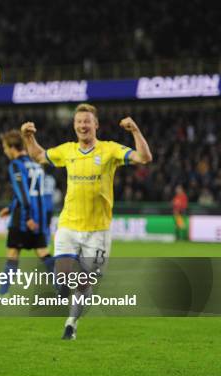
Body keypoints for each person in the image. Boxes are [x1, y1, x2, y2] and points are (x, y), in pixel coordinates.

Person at [21, 103, 152, 340]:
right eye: (79, 122)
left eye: (87, 121)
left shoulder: (110, 150)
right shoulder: (67, 150)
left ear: (96, 125)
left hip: (98, 231)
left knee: (83, 284)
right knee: (62, 276)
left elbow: (144, 157)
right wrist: (27, 137)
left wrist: (135, 130)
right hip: (69, 225)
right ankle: (62, 287)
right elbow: (39, 155)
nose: (83, 125)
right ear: (74, 125)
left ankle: (72, 322)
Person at [0, 130, 54, 296]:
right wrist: (10, 206)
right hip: (40, 216)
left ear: (12, 147)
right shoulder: (35, 163)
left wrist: (27, 216)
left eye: (5, 147)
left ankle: (2, 293)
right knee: (43, 252)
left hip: (23, 217)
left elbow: (23, 192)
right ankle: (63, 288)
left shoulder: (16, 165)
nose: (4, 151)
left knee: (13, 254)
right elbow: (32, 190)